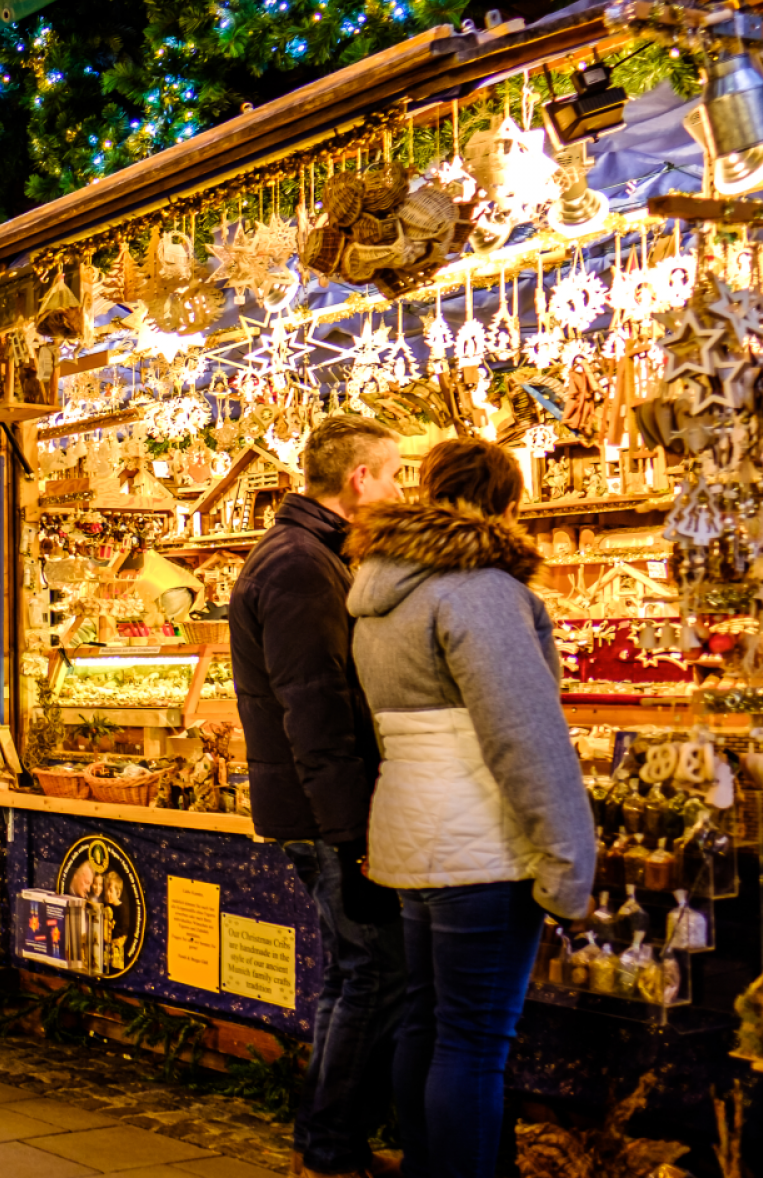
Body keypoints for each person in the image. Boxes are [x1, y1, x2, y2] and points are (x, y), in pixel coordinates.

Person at [349, 439, 595, 1178]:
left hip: (412, 834)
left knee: (427, 1024)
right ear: (511, 507)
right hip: (479, 841)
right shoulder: (481, 591)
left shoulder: (381, 589)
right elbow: (525, 734)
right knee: (474, 1041)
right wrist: (569, 857)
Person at [228, 413, 405, 1178]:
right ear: (359, 479)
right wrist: (353, 827)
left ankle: (329, 1141)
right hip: (325, 810)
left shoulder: (307, 553)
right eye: (395, 473)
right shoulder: (301, 563)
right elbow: (317, 704)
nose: (401, 488)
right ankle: (331, 1146)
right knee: (371, 972)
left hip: (314, 805)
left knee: (354, 972)